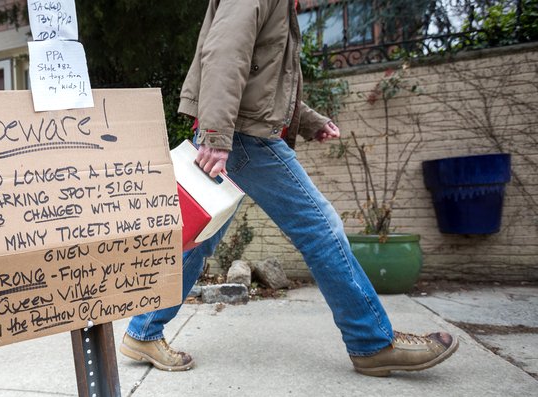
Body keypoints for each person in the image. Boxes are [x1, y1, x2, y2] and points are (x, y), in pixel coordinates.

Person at [119, 0, 459, 377]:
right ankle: (372, 342)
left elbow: (264, 77)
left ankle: (144, 330)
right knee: (320, 229)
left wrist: (309, 119)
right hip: (246, 138)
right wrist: (216, 135)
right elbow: (224, 52)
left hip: (239, 132)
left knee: (202, 236)